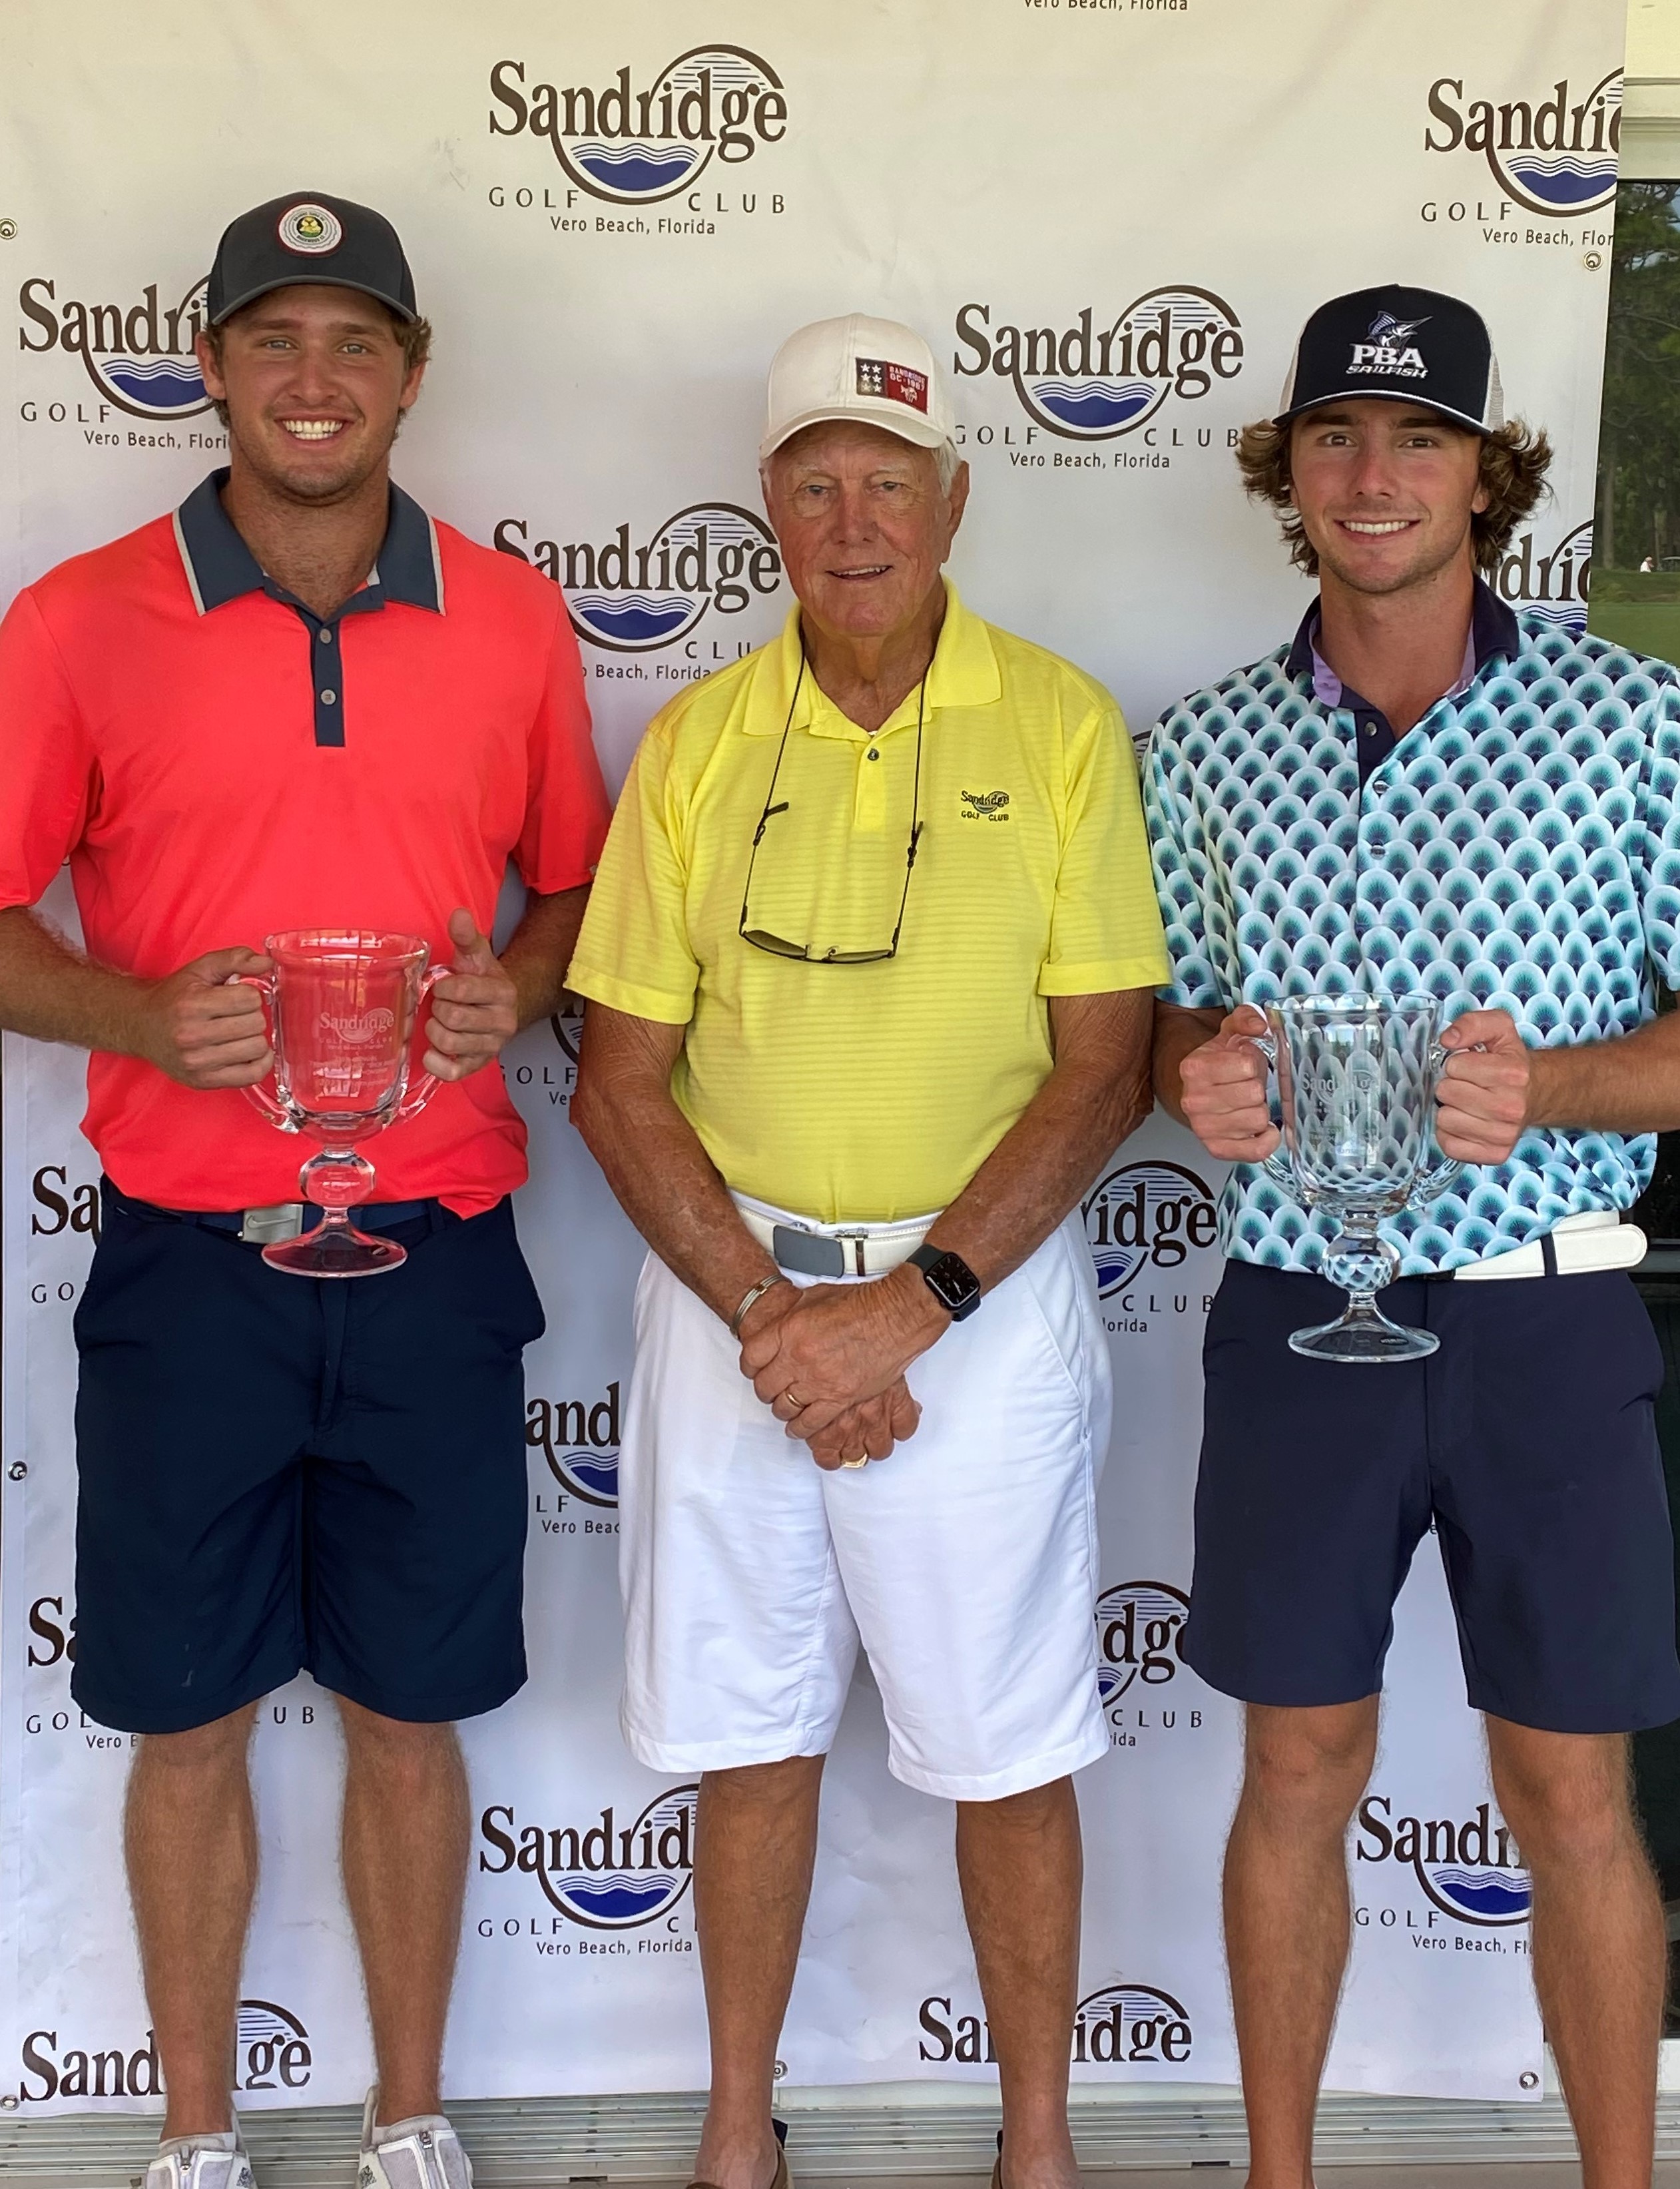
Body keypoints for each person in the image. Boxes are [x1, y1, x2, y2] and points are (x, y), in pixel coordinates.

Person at [0, 193, 609, 2189]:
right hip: (192, 1263)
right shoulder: (79, 619)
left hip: (433, 1245)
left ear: (413, 376)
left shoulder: (513, 620)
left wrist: (515, 985)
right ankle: (191, 2138)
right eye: (276, 342)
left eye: (355, 344)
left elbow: (576, 886)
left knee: (410, 1715)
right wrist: (126, 1011)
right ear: (211, 367)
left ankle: (409, 2115)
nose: (316, 381)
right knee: (184, 1720)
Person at [567, 312, 1167, 2189]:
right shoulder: (694, 736)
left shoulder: (1055, 721)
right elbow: (618, 1079)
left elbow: (1107, 1066)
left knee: (1004, 1751)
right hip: (733, 1309)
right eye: (815, 480)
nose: (851, 518)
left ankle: (1040, 2148)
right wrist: (774, 1319)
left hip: (970, 1310)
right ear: (765, 507)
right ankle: (736, 2137)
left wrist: (904, 1313)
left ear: (952, 499)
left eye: (886, 482)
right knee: (748, 1739)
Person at [1146, 284, 1680, 2189]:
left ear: (1484, 473)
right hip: (1301, 1307)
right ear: (1287, 469)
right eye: (1336, 438)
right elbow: (1163, 1023)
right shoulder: (1202, 748)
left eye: (1418, 440)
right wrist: (1190, 1072)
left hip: (1543, 1321)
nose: (1373, 477)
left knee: (1568, 1791)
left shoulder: (1632, 724)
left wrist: (1552, 1085)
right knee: (1294, 1771)